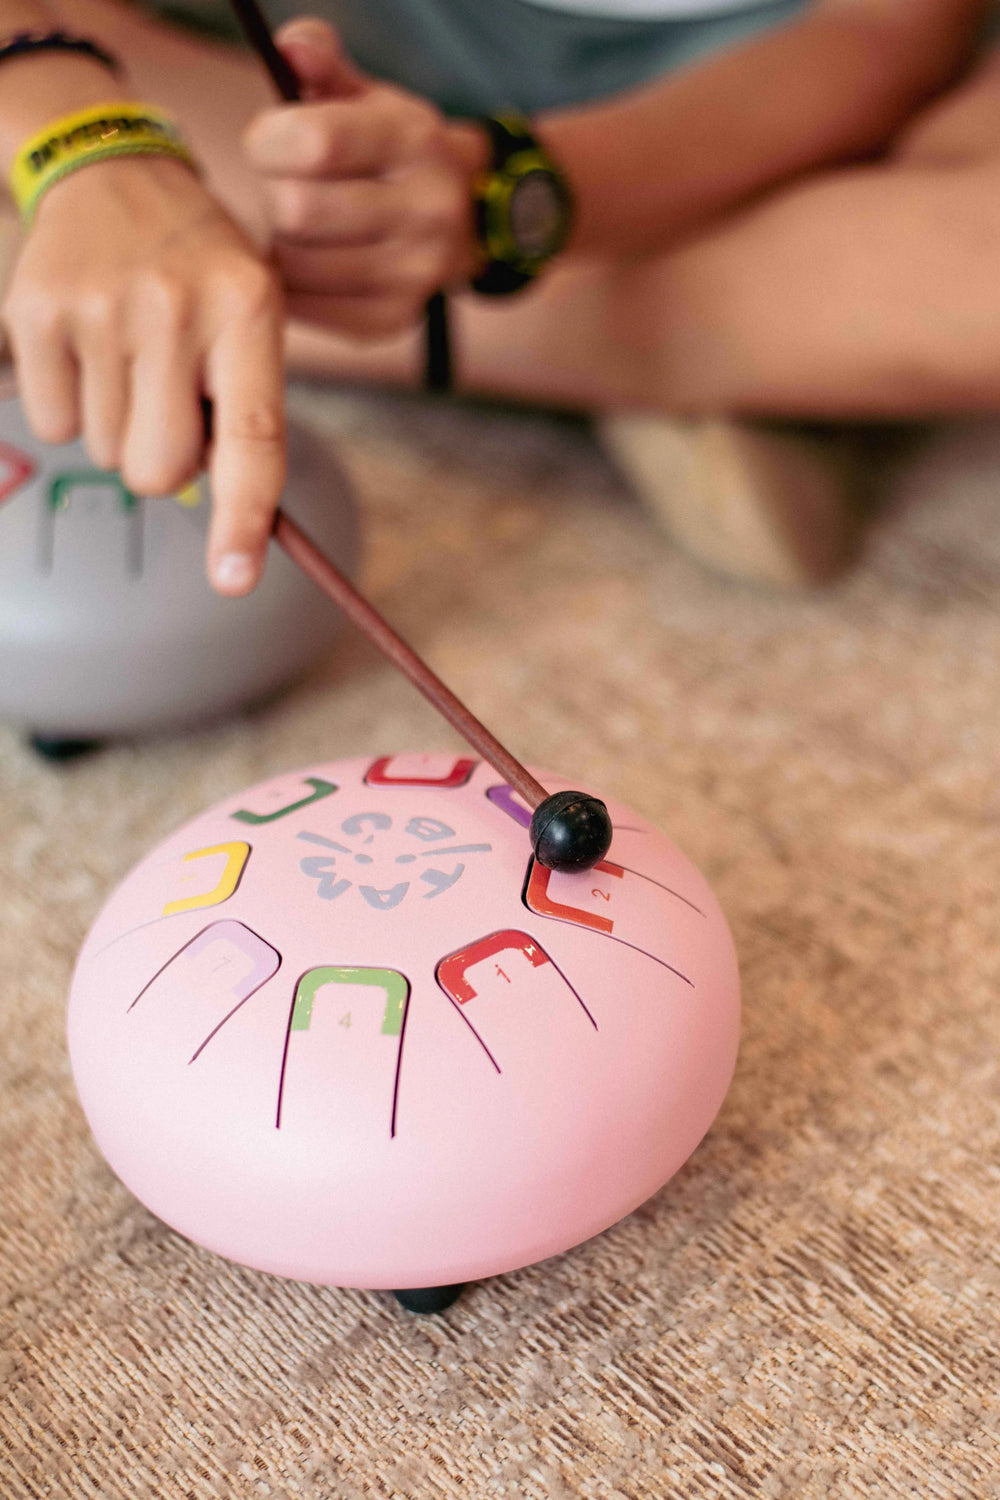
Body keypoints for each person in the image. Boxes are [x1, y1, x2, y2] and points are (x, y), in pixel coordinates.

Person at [0, 0, 997, 594]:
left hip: (763, 61)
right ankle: (758, 346)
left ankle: (235, 290)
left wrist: (509, 200)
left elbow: (884, 27)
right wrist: (89, 144)